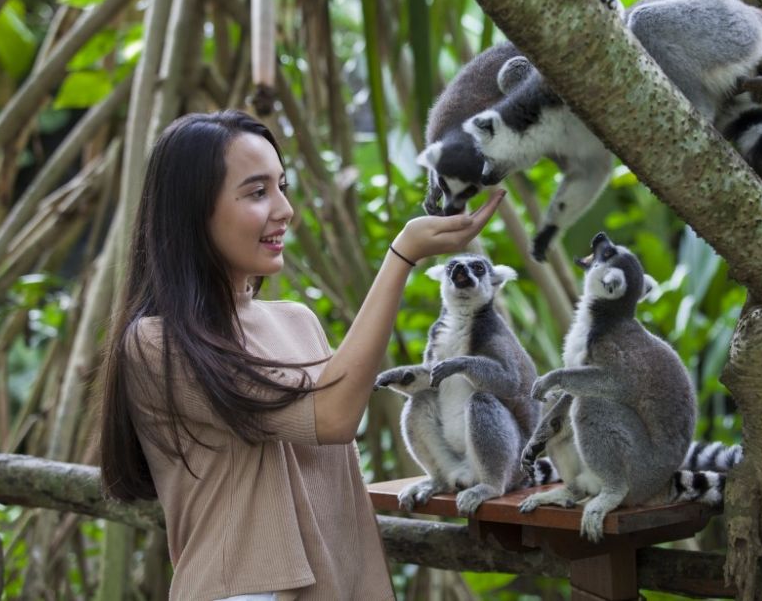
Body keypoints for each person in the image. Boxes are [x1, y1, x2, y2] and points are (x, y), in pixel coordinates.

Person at [97, 109, 504, 601]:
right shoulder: (156, 343)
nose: (284, 209)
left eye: (282, 186)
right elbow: (332, 416)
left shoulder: (297, 321)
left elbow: (335, 469)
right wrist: (401, 257)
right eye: (256, 192)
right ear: (193, 211)